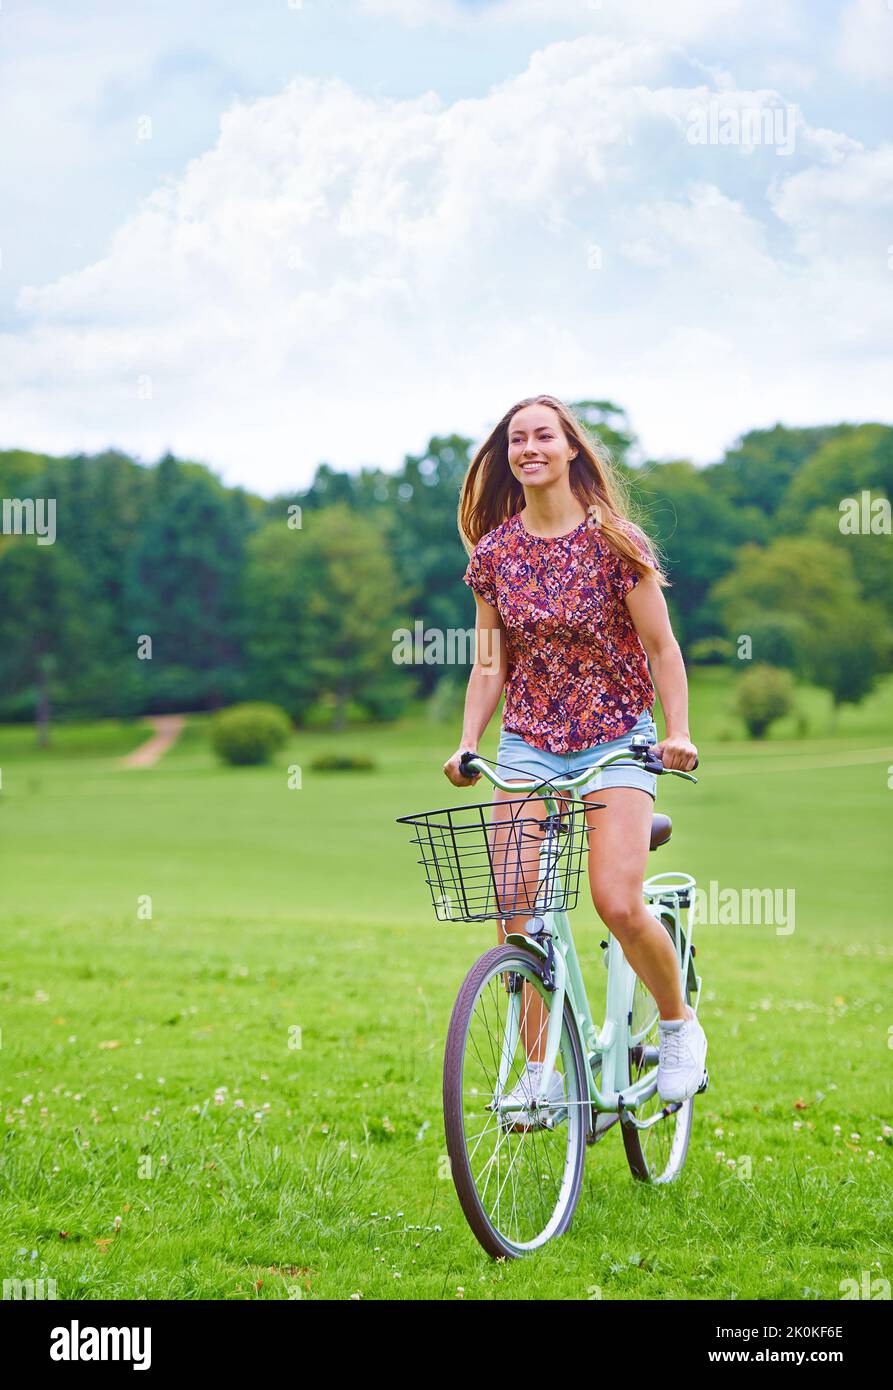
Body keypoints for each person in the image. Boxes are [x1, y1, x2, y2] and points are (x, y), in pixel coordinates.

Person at [443, 393, 707, 1108]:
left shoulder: (615, 543)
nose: (528, 448)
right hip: (529, 741)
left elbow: (661, 647)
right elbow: (489, 663)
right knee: (514, 906)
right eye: (515, 440)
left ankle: (680, 1026)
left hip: (616, 738)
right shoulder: (496, 553)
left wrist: (676, 731)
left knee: (614, 901)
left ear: (568, 451)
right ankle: (541, 1072)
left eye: (542, 437)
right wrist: (468, 742)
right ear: (509, 458)